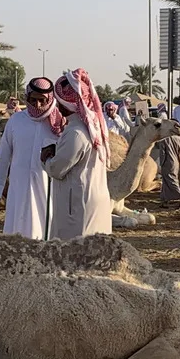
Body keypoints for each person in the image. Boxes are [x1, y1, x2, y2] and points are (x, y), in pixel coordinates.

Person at [0, 77, 62, 239]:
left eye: (42, 101)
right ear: (27, 98)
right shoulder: (16, 121)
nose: (38, 105)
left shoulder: (59, 123)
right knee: (17, 232)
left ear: (49, 99)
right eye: (33, 100)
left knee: (46, 231)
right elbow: (2, 158)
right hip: (18, 188)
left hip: (48, 189)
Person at [42, 68, 111, 239]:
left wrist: (46, 159)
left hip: (77, 204)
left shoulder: (76, 133)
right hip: (92, 197)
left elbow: (57, 169)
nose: (57, 106)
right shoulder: (93, 127)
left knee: (74, 253)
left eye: (59, 102)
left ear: (68, 103)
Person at [159, 122, 180, 206]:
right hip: (176, 163)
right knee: (166, 181)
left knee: (171, 181)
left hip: (167, 163)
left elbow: (162, 153)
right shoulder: (179, 139)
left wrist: (161, 164)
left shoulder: (164, 139)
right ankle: (164, 201)